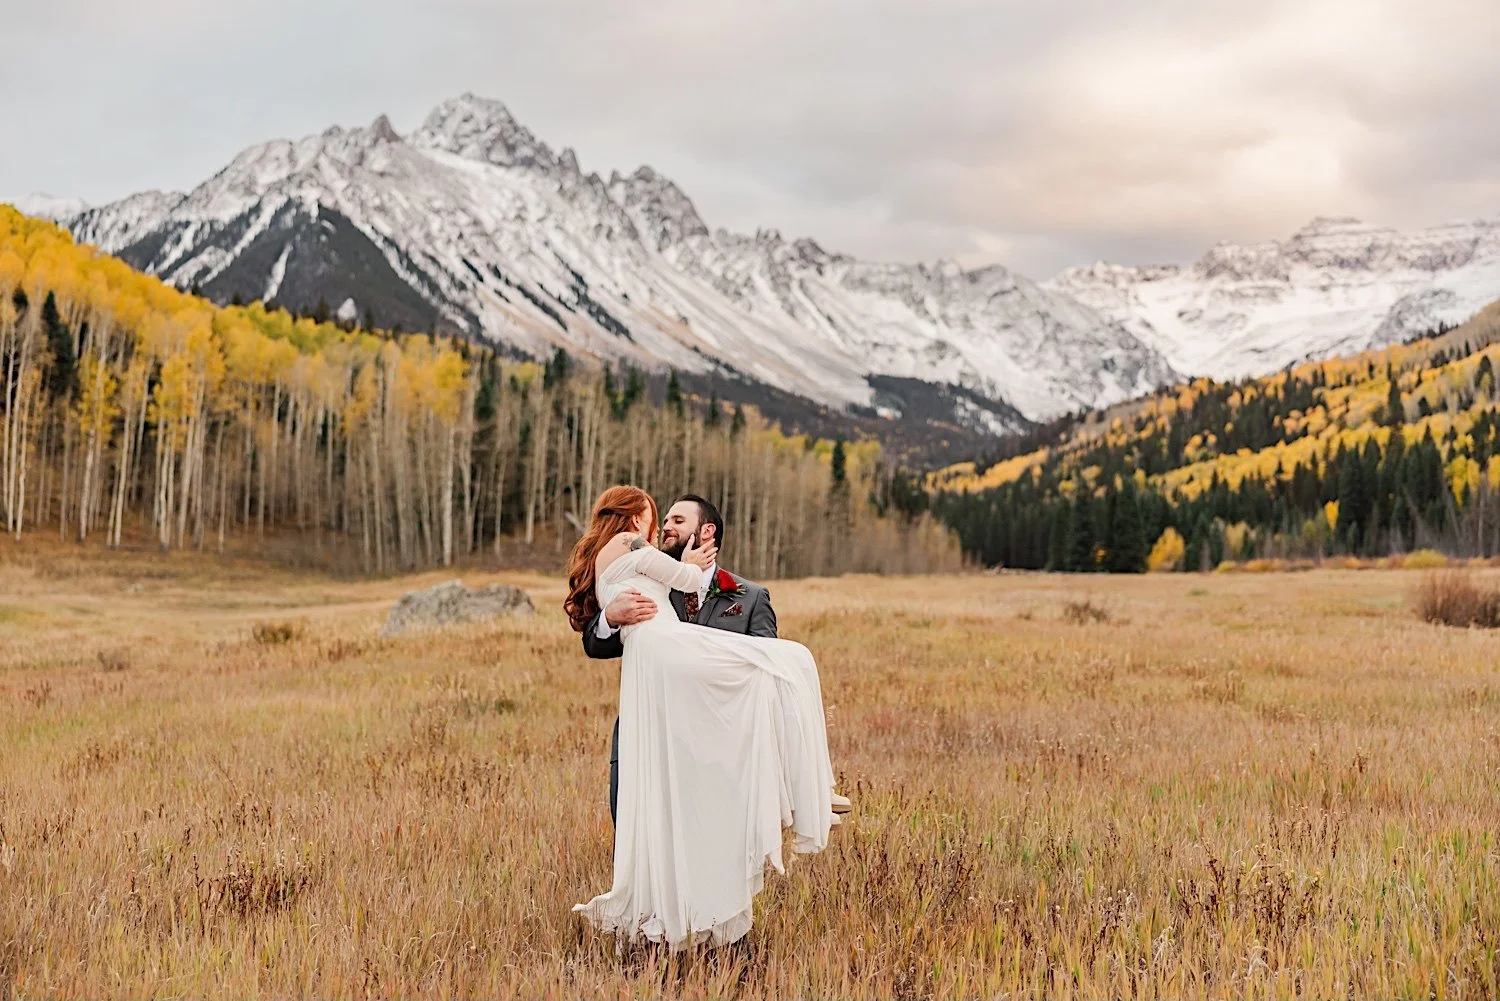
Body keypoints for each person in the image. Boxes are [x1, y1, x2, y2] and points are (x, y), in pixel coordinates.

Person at [566, 485, 841, 949]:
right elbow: (596, 641)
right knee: (650, 835)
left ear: (706, 530)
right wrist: (610, 616)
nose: (664, 527)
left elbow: (758, 672)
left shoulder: (749, 596)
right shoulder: (646, 565)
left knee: (780, 666)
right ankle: (654, 943)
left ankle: (801, 789)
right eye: (661, 518)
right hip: (653, 732)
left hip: (717, 746)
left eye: (676, 520)